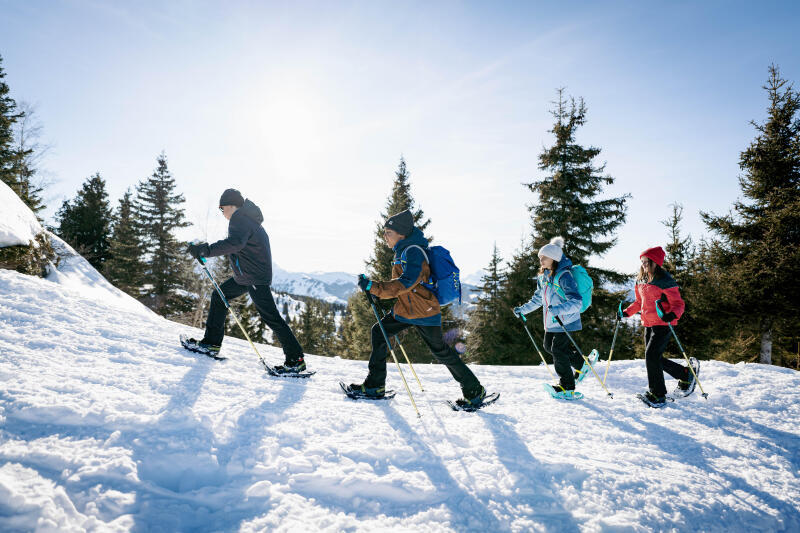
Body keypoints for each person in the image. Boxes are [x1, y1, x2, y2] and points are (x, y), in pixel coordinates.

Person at [345, 209, 486, 407]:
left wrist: (374, 287)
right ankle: (374, 386)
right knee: (379, 331)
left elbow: (407, 282)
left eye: (388, 233)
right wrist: (373, 287)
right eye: (384, 232)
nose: (384, 236)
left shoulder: (413, 251)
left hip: (423, 311)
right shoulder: (403, 250)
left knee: (441, 352)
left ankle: (474, 391)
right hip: (405, 310)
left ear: (401, 234)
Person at [185, 189, 306, 374]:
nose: (222, 212)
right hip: (247, 276)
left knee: (271, 317)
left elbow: (235, 243)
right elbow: (238, 245)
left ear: (231, 205)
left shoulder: (240, 219)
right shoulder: (247, 219)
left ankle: (295, 360)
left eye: (221, 208)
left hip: (254, 277)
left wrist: (205, 250)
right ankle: (211, 343)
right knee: (219, 296)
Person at [514, 236, 594, 398]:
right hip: (552, 321)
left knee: (558, 350)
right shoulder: (544, 277)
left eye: (544, 257)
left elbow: (576, 302)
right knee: (548, 346)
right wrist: (523, 310)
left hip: (566, 321)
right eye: (540, 258)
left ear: (554, 258)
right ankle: (581, 364)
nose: (541, 260)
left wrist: (558, 309)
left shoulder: (564, 276)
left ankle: (567, 386)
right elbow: (538, 299)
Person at [621, 246, 697, 407]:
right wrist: (626, 313)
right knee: (654, 358)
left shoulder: (664, 280)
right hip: (648, 323)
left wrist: (673, 314)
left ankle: (658, 394)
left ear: (655, 262)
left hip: (663, 323)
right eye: (642, 262)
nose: (644, 265)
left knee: (651, 356)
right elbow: (639, 303)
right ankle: (684, 374)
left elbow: (678, 303)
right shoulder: (641, 280)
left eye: (647, 262)